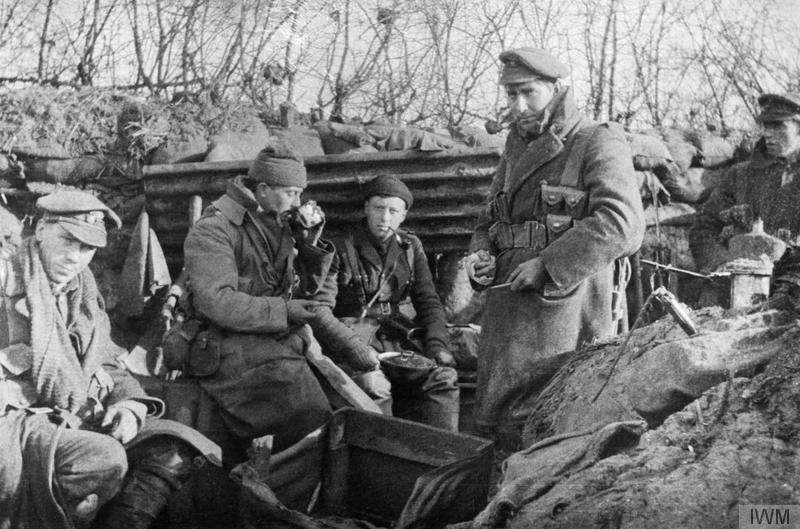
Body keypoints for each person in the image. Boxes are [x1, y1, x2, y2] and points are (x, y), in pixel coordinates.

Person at [0, 190, 216, 529]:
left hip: (75, 416)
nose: (75, 257)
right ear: (41, 230)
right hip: (18, 426)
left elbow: (109, 362)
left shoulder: (83, 296)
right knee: (104, 459)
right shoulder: (6, 282)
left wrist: (129, 406)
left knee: (172, 449)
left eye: (87, 248)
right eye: (67, 240)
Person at [464, 47, 645, 448]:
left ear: (557, 88)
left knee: (549, 423)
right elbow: (490, 221)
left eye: (529, 92)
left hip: (564, 309)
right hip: (507, 305)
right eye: (511, 95)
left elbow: (623, 223)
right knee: (498, 423)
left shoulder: (595, 139)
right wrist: (481, 255)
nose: (519, 105)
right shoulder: (515, 147)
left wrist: (548, 264)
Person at [181, 140, 335, 462]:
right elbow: (217, 303)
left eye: (300, 193)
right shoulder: (215, 229)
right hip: (224, 346)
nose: (299, 201)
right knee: (309, 410)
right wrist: (283, 310)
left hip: (266, 339)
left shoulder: (276, 223)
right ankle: (280, 493)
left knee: (337, 392)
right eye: (291, 192)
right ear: (262, 189)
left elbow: (305, 290)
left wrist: (310, 244)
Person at [310, 175, 460, 431]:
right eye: (379, 208)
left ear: (404, 216)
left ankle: (445, 461)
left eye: (393, 211)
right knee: (373, 386)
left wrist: (437, 345)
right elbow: (319, 310)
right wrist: (353, 349)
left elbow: (428, 301)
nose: (385, 218)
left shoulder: (410, 246)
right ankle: (384, 460)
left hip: (397, 337)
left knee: (442, 378)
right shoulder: (337, 248)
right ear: (366, 208)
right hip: (352, 340)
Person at [690, 92, 800, 307]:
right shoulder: (740, 175)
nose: (768, 134)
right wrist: (721, 265)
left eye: (778, 126)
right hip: (739, 284)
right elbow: (703, 229)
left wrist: (790, 285)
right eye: (765, 126)